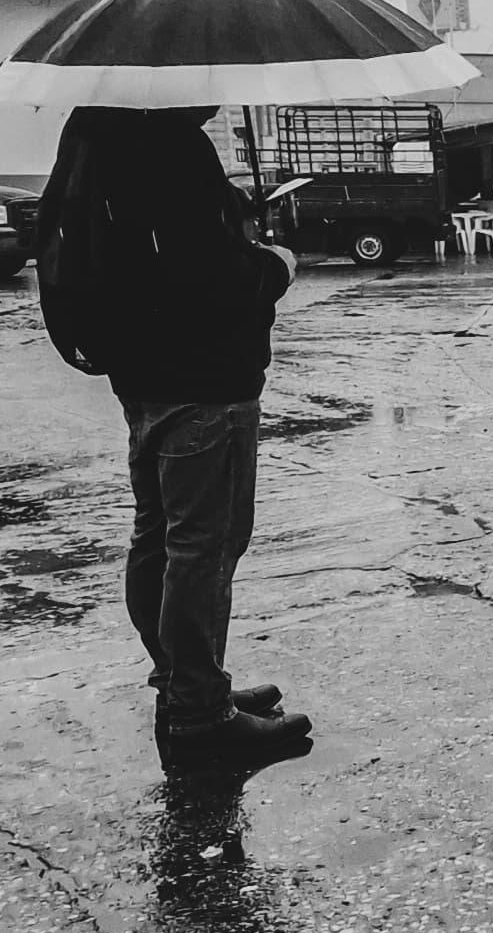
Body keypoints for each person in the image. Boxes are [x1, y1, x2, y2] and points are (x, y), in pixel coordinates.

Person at [35, 107, 313, 770]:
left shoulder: (93, 133)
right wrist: (274, 264)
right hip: (205, 377)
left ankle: (183, 682)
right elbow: (209, 276)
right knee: (204, 546)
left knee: (160, 533)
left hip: (141, 371)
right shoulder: (169, 144)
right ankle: (200, 711)